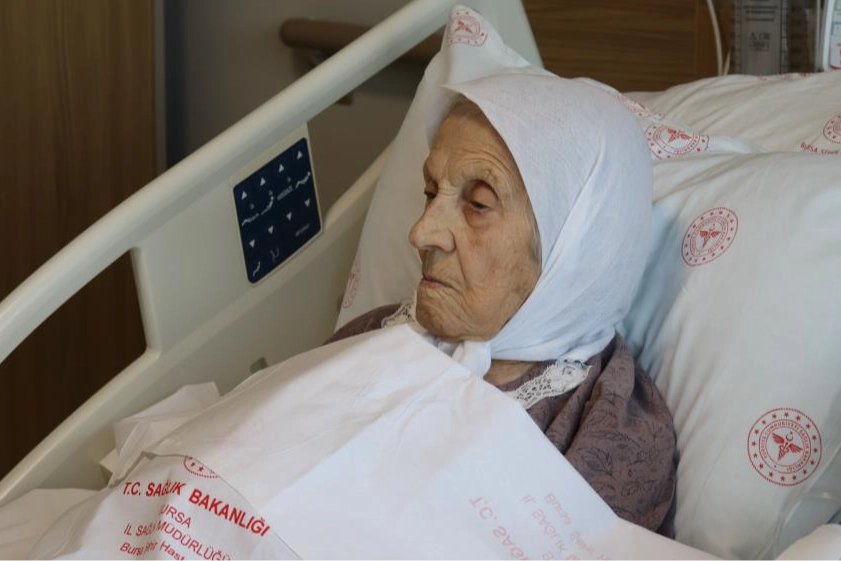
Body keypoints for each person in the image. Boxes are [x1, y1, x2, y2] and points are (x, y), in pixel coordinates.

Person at [330, 72, 677, 535]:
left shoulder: (611, 437)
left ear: (570, 245)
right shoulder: (373, 335)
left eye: (477, 204)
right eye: (431, 192)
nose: (421, 232)